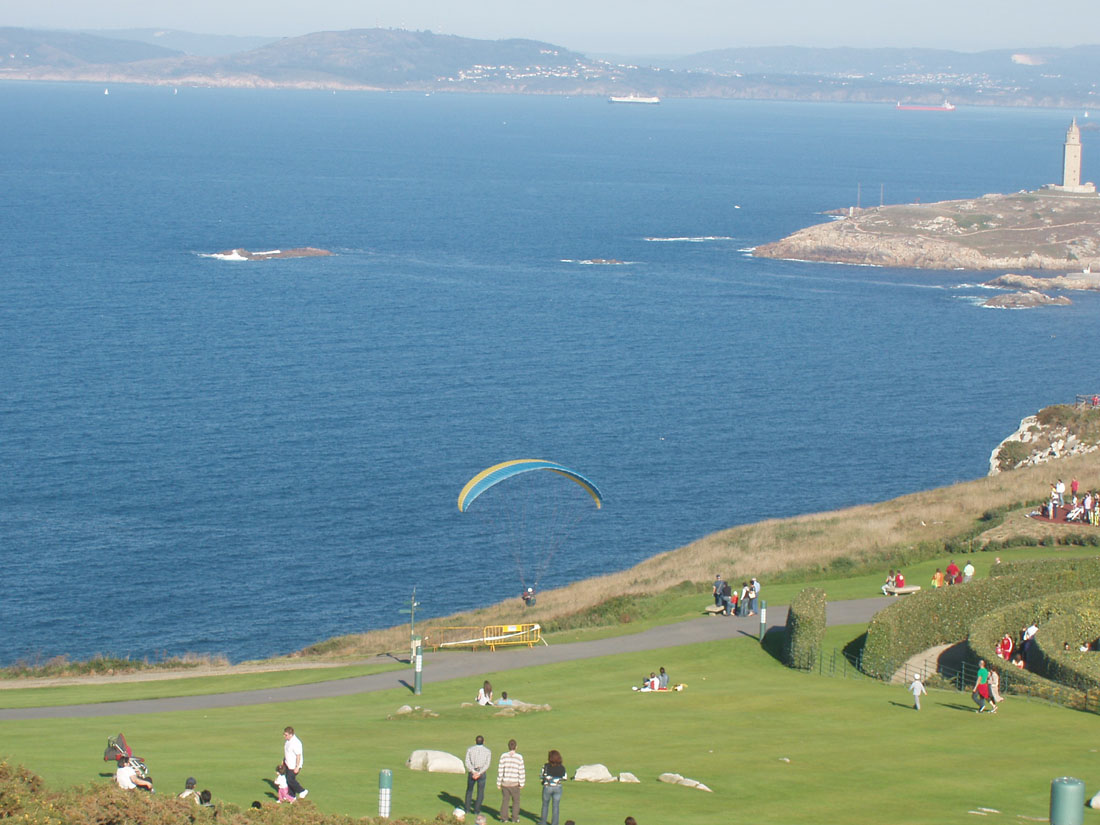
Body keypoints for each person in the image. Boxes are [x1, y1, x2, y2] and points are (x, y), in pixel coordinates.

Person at [496, 738, 526, 823]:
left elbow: (500, 770)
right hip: (515, 783)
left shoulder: (503, 756)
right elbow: (521, 771)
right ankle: (515, 818)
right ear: (516, 747)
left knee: (505, 800)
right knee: (516, 801)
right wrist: (522, 782)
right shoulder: (519, 757)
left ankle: (504, 818)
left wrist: (498, 782)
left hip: (505, 783)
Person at [464, 734, 491, 816]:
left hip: (472, 772)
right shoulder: (487, 751)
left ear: (475, 741)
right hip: (481, 773)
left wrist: (473, 771)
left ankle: (467, 809)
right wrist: (479, 773)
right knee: (480, 792)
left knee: (469, 791)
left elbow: (467, 762)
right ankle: (477, 810)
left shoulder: (470, 750)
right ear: (484, 741)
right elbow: (487, 764)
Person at [538, 749, 566, 825]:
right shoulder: (562, 767)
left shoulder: (546, 766)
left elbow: (542, 776)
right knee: (556, 806)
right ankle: (555, 823)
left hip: (547, 787)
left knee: (545, 805)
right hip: (558, 788)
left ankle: (543, 822)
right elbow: (564, 778)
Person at [282, 726, 307, 800]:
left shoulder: (296, 743)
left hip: (293, 765)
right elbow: (287, 752)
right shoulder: (288, 741)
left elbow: (298, 755)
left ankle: (302, 791)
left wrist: (297, 766)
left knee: (290, 780)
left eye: (286, 735)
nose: (284, 736)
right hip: (288, 763)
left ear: (291, 734)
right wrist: (283, 761)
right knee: (288, 780)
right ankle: (292, 796)